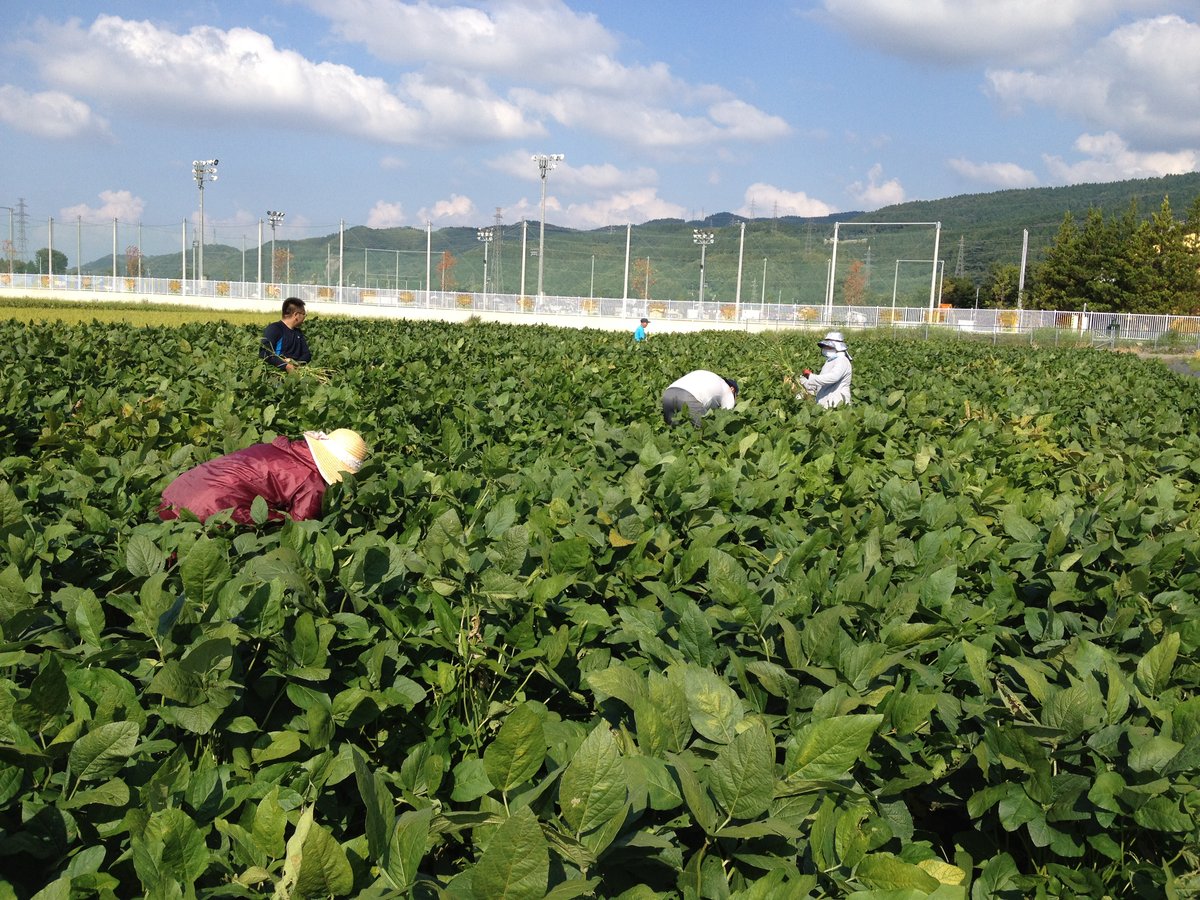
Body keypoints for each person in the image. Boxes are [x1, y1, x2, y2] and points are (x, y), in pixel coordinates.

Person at [159, 429, 368, 525]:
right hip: (206, 511)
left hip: (174, 494)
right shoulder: (312, 481)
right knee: (274, 526)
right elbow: (301, 528)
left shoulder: (277, 447)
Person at [790, 331, 852, 408]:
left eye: (828, 347)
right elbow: (820, 383)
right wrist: (802, 381)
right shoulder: (830, 361)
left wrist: (811, 376)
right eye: (824, 346)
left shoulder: (842, 360)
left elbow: (833, 377)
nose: (825, 349)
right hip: (825, 403)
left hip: (837, 404)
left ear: (838, 347)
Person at [662, 370, 738, 426]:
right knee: (704, 431)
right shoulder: (728, 390)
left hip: (668, 393)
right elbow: (727, 414)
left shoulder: (711, 376)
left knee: (673, 429)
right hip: (687, 397)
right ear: (732, 389)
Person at [261, 297, 311, 372]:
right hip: (277, 373)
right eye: (304, 314)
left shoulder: (298, 333)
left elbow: (307, 354)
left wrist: (296, 363)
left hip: (296, 372)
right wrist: (285, 366)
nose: (304, 317)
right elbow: (264, 353)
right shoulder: (274, 329)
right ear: (296, 315)